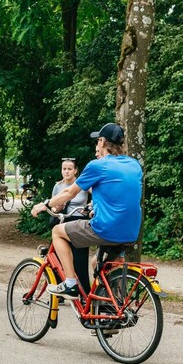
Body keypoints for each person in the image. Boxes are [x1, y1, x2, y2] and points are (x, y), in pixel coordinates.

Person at [31, 123, 143, 300]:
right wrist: (94, 209)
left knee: (57, 232)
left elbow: (69, 192)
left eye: (98, 141)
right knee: (98, 264)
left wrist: (45, 204)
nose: (96, 145)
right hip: (131, 231)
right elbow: (119, 197)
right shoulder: (134, 165)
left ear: (103, 142)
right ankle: (110, 309)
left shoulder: (98, 165)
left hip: (106, 228)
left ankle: (70, 284)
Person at [50, 158, 90, 293]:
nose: (66, 172)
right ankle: (60, 290)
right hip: (63, 221)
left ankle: (84, 292)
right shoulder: (58, 186)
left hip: (78, 221)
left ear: (75, 171)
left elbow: (98, 195)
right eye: (64, 169)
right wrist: (56, 209)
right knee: (59, 257)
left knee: (80, 260)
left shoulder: (82, 184)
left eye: (69, 169)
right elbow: (53, 206)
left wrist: (91, 206)